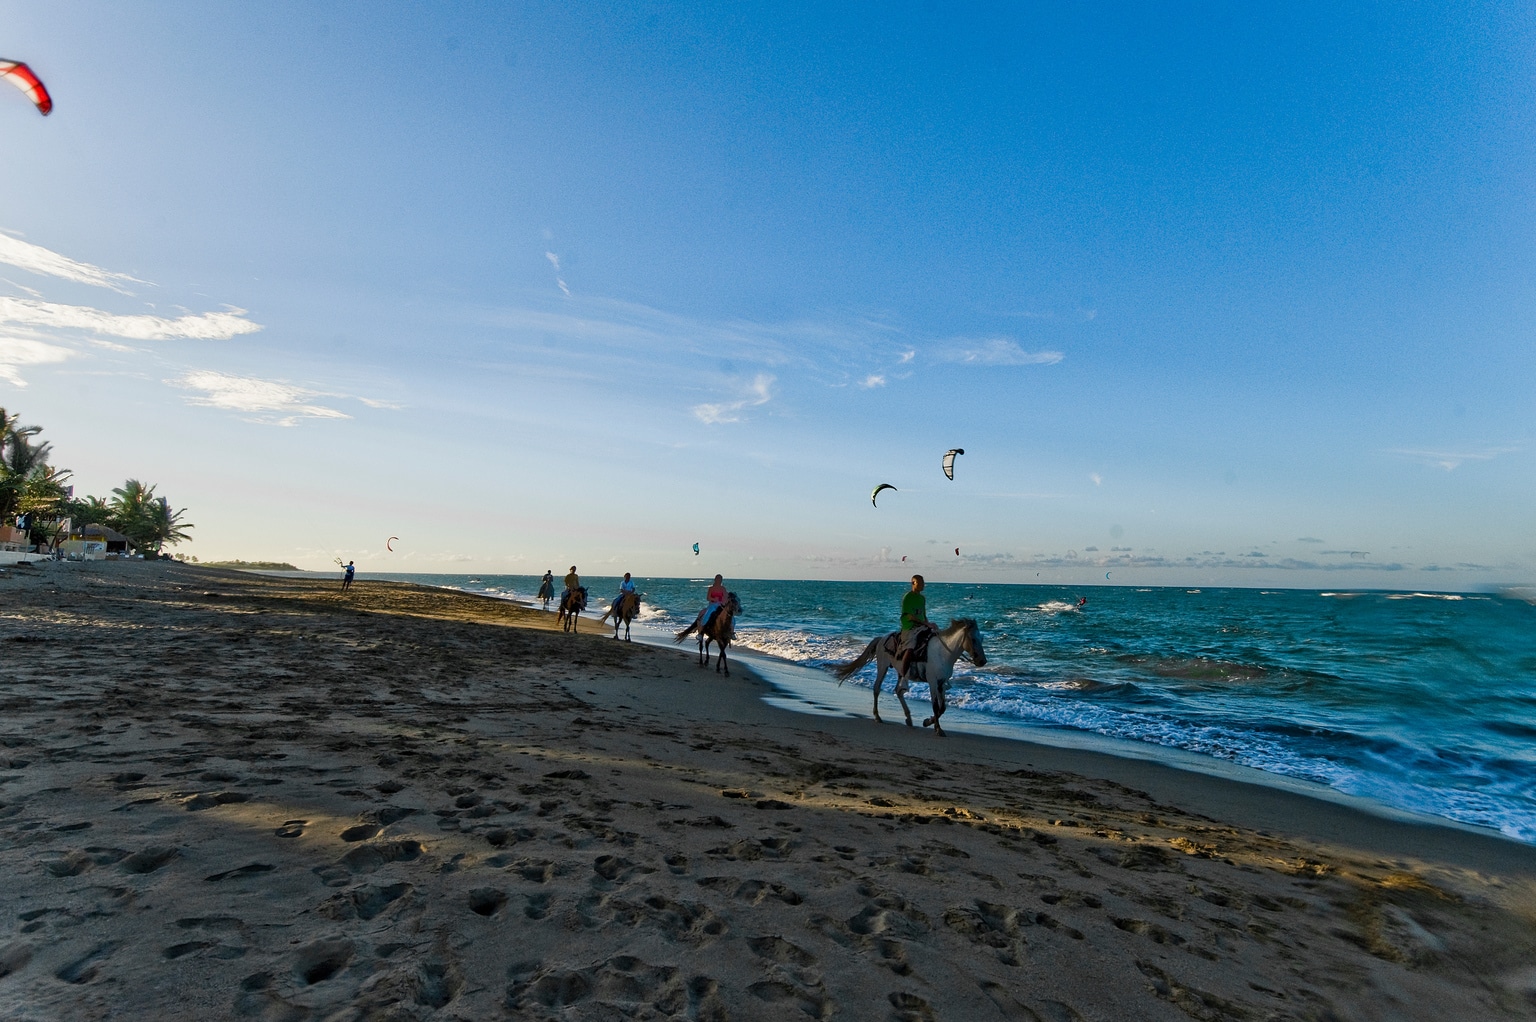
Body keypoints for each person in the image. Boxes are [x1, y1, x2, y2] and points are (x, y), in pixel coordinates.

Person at [896, 574, 931, 681]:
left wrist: (929, 624)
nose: (922, 585)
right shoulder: (908, 597)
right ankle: (903, 676)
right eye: (920, 583)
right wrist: (925, 624)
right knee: (910, 647)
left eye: (923, 583)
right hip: (910, 627)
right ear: (913, 583)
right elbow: (911, 616)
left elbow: (923, 615)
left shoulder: (922, 598)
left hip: (921, 626)